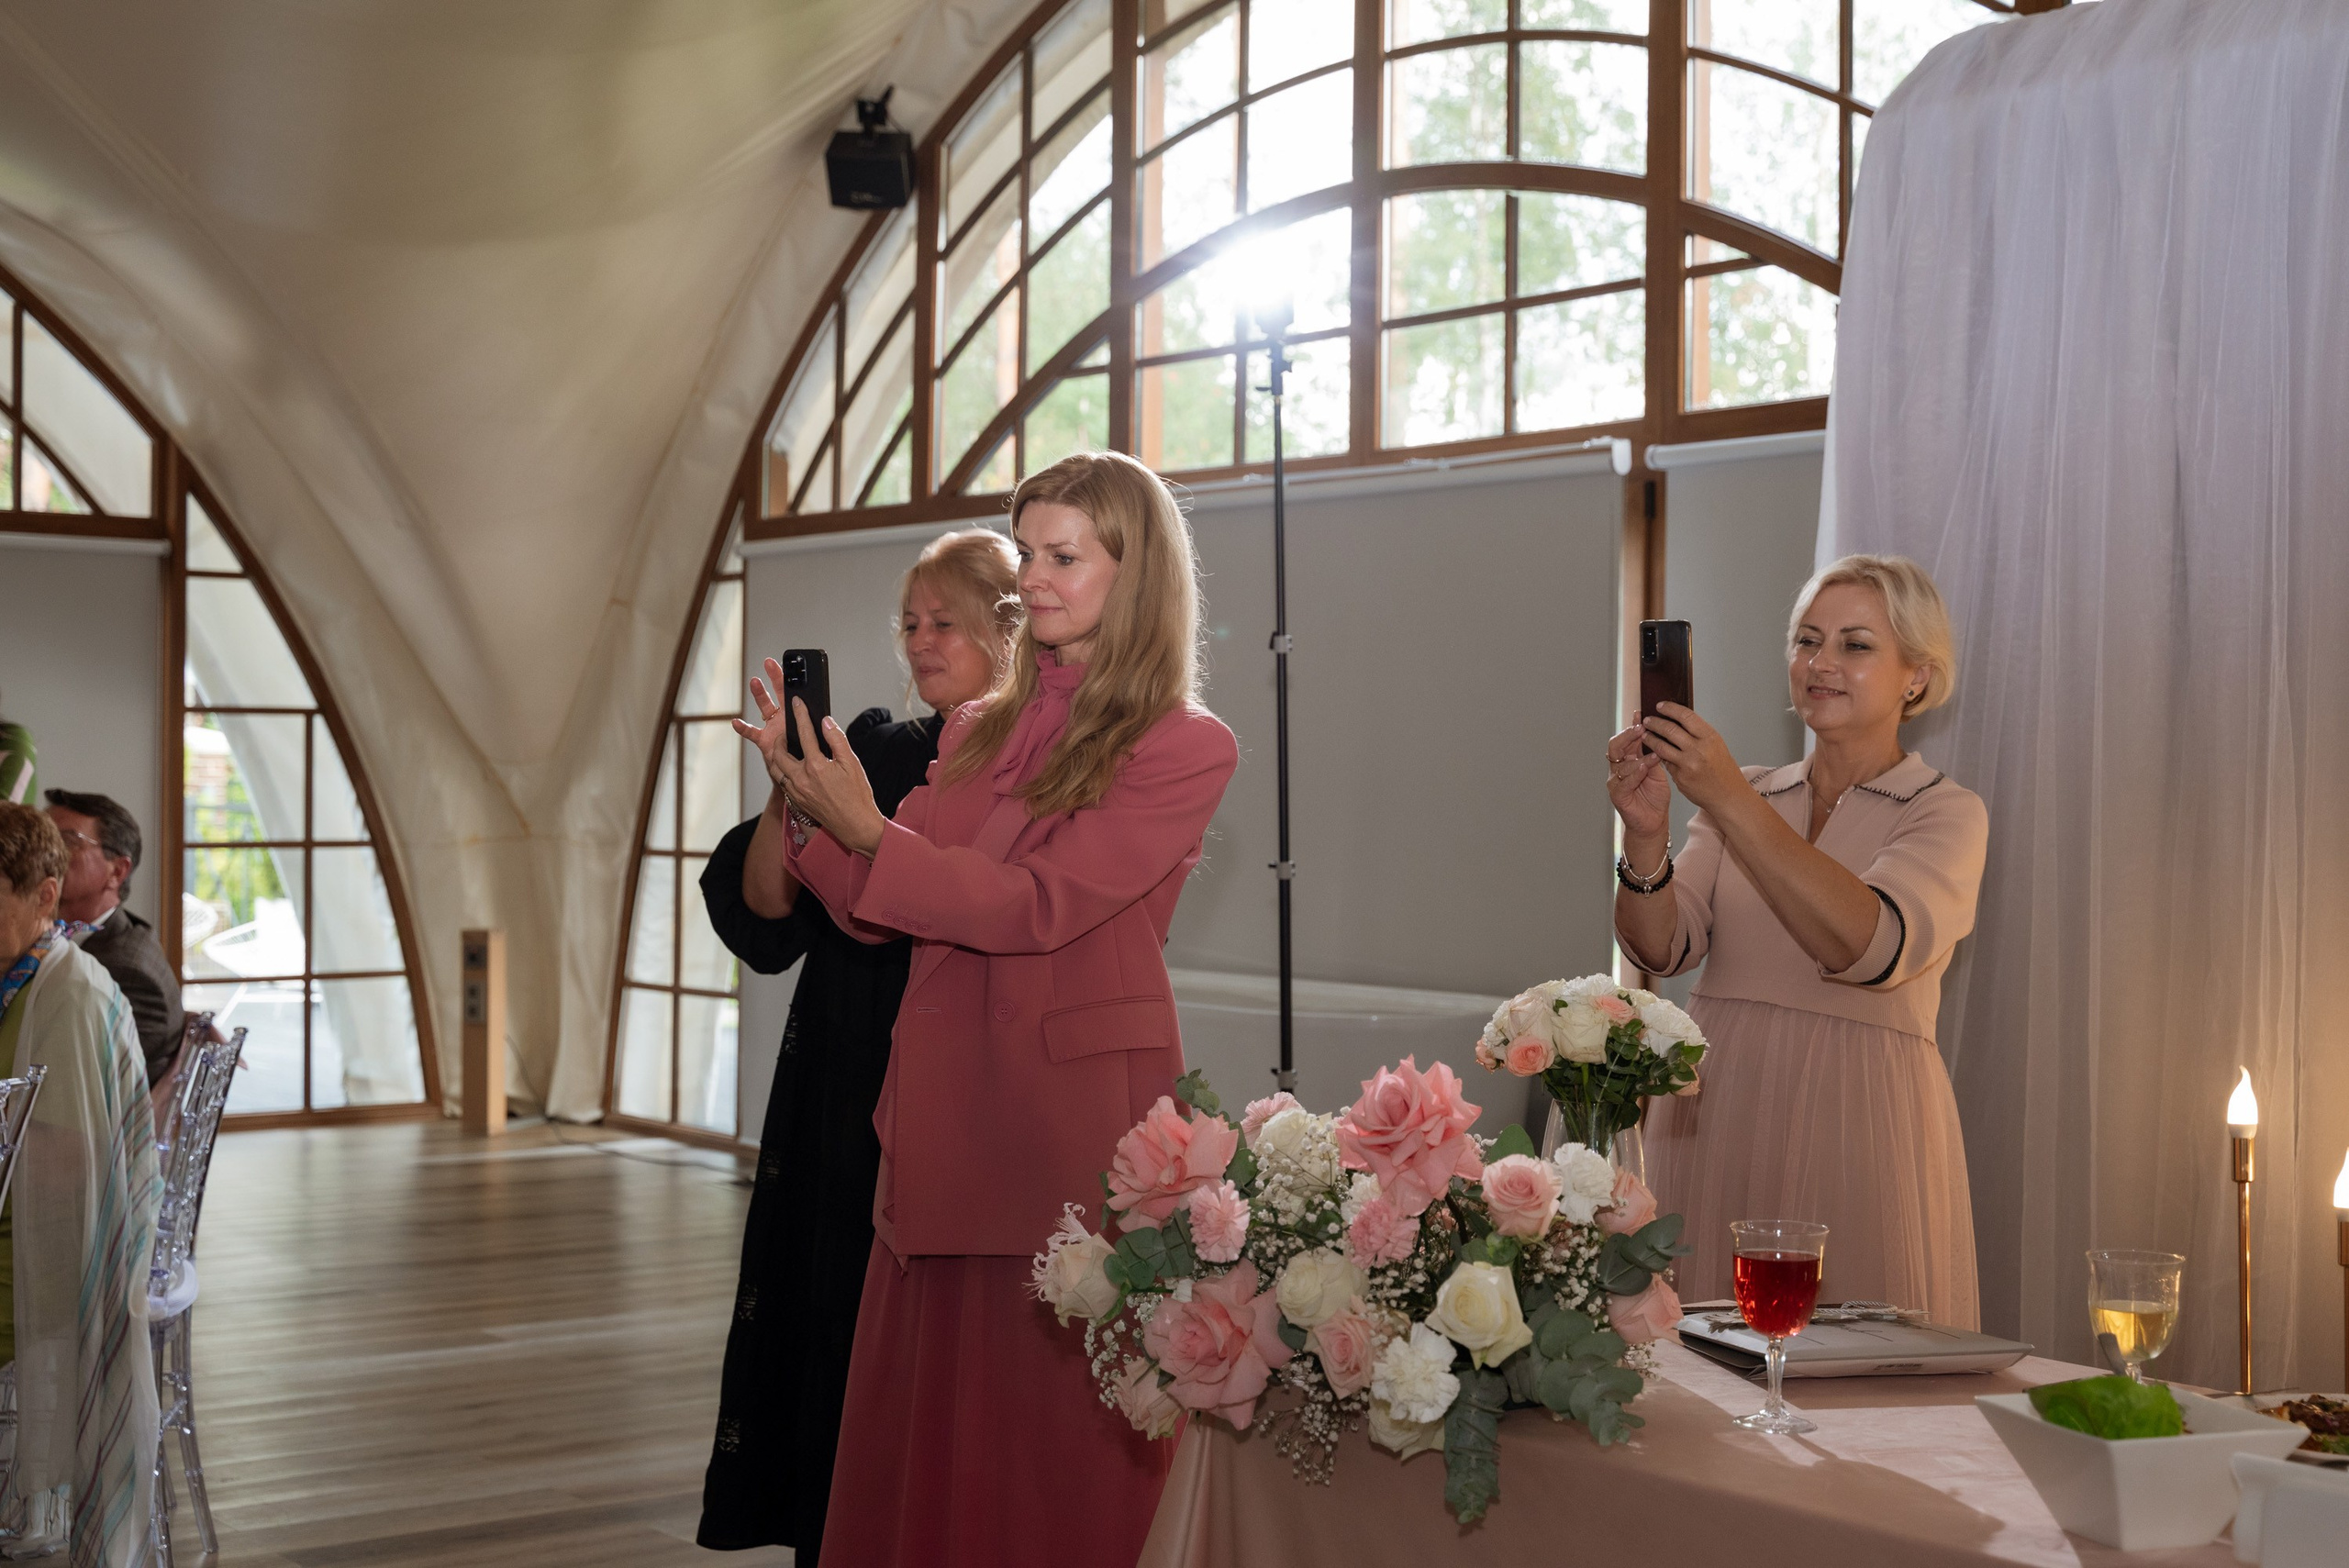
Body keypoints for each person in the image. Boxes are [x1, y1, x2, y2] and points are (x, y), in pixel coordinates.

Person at [745, 450, 1238, 1568]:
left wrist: (872, 833)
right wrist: (808, 808)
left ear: (1138, 571)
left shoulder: (1182, 743)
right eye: (1028, 550)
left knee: (1051, 1439)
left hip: (1061, 1123)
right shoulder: (974, 725)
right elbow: (881, 913)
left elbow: (1037, 904)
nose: (1036, 576)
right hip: (940, 1102)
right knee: (930, 1415)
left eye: (1064, 554)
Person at [696, 528, 1019, 1562]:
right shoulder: (872, 747)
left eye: (947, 623)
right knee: (822, 1317)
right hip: (839, 1073)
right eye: (910, 623)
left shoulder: (1039, 765)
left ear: (1009, 629)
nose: (921, 641)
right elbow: (766, 919)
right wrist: (790, 790)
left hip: (963, 1079)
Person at [1608, 554, 1987, 1329]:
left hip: (1860, 1114)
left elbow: (1868, 945)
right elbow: (1664, 948)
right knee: (1702, 1372)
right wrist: (1644, 838)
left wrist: (1728, 796)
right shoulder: (1750, 792)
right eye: (1807, 640)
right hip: (1715, 1105)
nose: (1820, 663)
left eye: (1855, 644)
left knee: (1852, 1382)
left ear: (1916, 676)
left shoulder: (1945, 812)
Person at [0, 801, 159, 1566]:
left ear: (43, 896)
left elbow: (66, 1161)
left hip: (46, 1272)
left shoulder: (64, 995)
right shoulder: (19, 980)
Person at [45, 789, 185, 1089]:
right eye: (44, 838)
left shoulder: (126, 971)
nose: (46, 853)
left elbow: (80, 1083)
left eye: (67, 841)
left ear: (117, 871)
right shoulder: (114, 934)